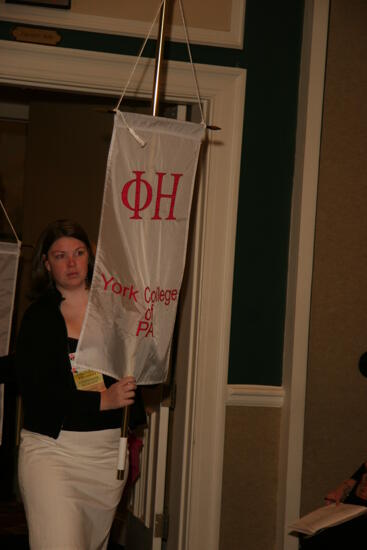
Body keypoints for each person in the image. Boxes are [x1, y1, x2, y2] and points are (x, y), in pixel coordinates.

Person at [15, 219, 138, 550]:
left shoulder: (117, 312)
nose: (71, 263)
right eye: (60, 255)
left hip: (104, 458)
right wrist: (102, 401)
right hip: (52, 453)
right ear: (46, 263)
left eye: (79, 252)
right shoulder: (38, 318)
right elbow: (39, 395)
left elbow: (138, 376)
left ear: (90, 256)